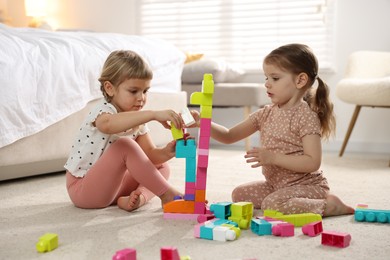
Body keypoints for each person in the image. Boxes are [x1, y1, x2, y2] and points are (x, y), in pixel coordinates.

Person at [189, 43, 354, 217]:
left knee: (272, 205)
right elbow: (229, 136)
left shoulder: (306, 116)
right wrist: (203, 123)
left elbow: (313, 162)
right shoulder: (265, 114)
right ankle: (287, 200)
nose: (267, 84)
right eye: (266, 78)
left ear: (300, 80)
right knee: (239, 194)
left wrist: (273, 158)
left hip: (308, 186)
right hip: (276, 184)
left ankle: (329, 206)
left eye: (275, 78)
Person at [64, 50, 182, 212]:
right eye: (134, 91)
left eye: (145, 91)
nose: (141, 98)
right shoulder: (103, 111)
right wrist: (152, 114)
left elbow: (150, 155)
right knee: (124, 145)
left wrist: (167, 152)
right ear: (110, 88)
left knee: (162, 167)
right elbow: (108, 125)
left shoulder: (138, 121)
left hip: (114, 186)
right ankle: (166, 194)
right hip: (84, 189)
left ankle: (139, 197)